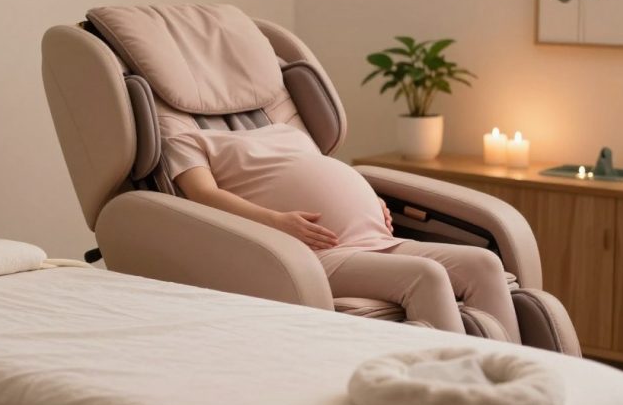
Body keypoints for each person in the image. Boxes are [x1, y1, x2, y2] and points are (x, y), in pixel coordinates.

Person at [163, 122, 520, 342]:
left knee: (484, 264)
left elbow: (318, 172)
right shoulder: (184, 139)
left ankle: (521, 382)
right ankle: (457, 396)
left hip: (379, 239)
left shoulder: (286, 129)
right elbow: (204, 196)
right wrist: (277, 221)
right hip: (315, 253)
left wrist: (366, 199)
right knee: (425, 276)